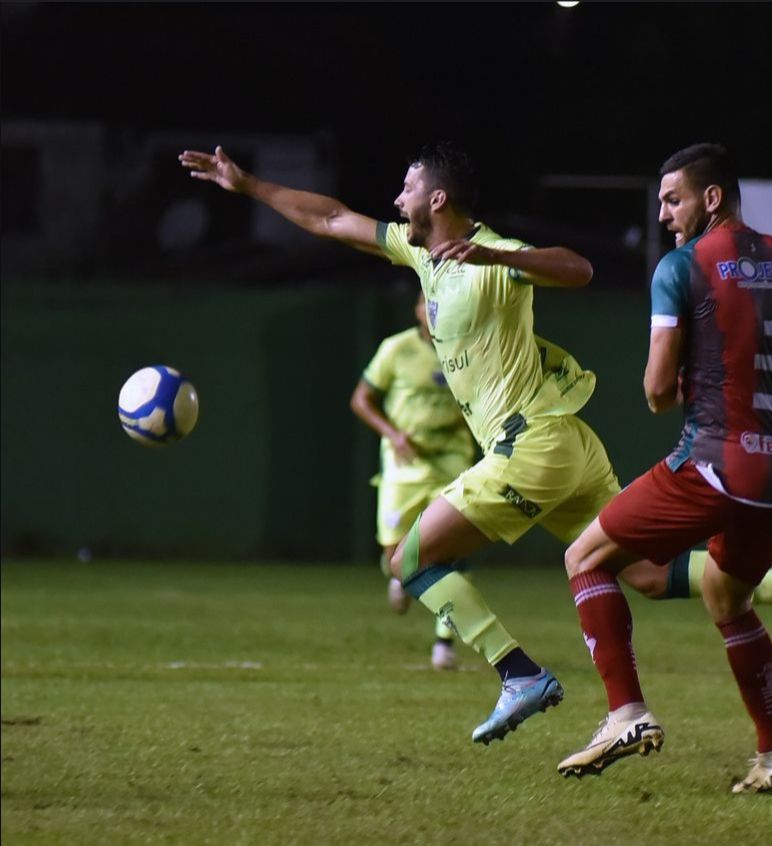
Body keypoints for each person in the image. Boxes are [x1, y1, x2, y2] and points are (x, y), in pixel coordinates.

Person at [180, 142, 616, 745]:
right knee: (645, 570)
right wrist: (249, 184)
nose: (395, 199)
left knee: (409, 559)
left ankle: (520, 674)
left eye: (406, 188)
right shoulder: (422, 253)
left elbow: (580, 269)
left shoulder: (498, 256)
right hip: (563, 438)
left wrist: (492, 255)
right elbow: (330, 218)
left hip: (530, 442)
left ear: (437, 198)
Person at [558, 143, 772, 794]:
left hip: (715, 464)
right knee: (726, 597)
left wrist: (670, 388)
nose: (665, 214)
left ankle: (626, 713)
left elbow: (653, 387)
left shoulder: (682, 267)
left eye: (673, 199)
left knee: (585, 557)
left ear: (712, 197)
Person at [350, 292, 477, 671]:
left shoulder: (468, 350)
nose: (435, 310)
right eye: (428, 303)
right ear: (418, 309)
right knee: (395, 557)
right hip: (404, 463)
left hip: (451, 460)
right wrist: (393, 434)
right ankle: (400, 577)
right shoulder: (396, 349)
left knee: (451, 550)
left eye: (442, 303)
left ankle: (444, 642)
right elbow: (361, 399)